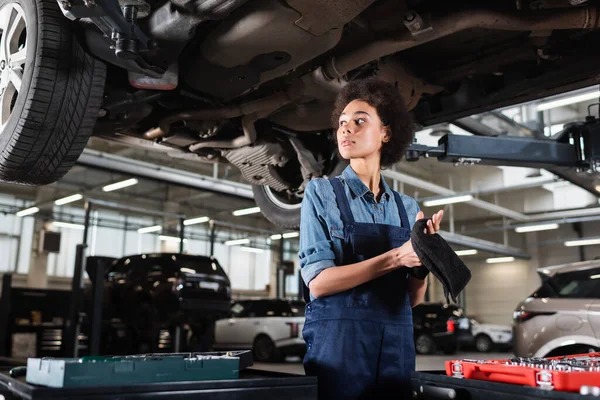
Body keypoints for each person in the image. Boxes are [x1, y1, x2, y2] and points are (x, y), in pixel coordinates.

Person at [298, 78, 444, 399]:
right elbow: (319, 283)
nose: (346, 130)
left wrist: (421, 262)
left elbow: (413, 299)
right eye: (342, 123)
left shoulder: (407, 208)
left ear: (386, 133)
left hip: (396, 345)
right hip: (340, 347)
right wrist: (396, 257)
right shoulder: (322, 193)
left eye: (359, 121)